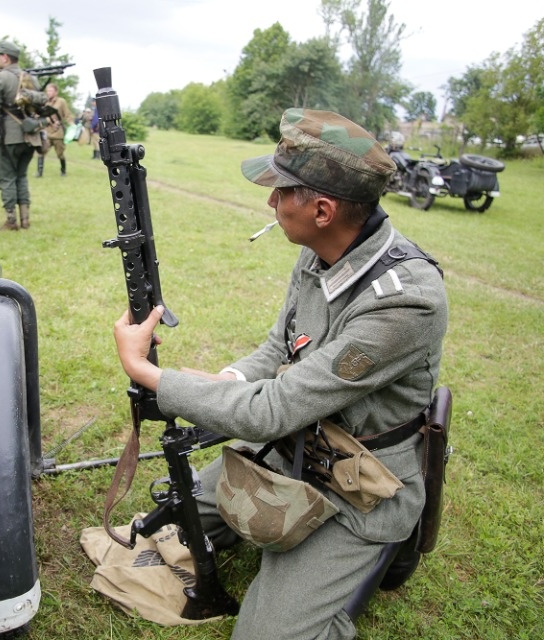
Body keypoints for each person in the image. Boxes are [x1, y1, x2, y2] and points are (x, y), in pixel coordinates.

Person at [112, 108, 448, 640]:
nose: (270, 201)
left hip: (357, 491)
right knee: (183, 514)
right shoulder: (322, 252)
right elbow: (278, 349)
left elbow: (274, 410)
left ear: (322, 209)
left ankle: (374, 557)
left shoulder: (406, 302)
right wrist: (229, 380)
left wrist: (147, 372)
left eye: (281, 191)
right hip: (297, 447)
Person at [0, 40, 38, 230]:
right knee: (21, 176)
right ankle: (25, 220)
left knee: (6, 177)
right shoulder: (30, 77)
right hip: (29, 136)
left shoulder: (0, 77)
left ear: (5, 57)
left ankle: (11, 221)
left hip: (7, 136)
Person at [37, 82, 74, 178]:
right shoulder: (44, 102)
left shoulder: (61, 101)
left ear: (56, 92)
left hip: (58, 132)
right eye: (47, 91)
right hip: (47, 131)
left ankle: (63, 171)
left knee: (60, 154)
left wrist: (72, 124)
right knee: (41, 151)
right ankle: (39, 173)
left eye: (50, 90)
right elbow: (39, 115)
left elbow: (67, 114)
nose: (48, 93)